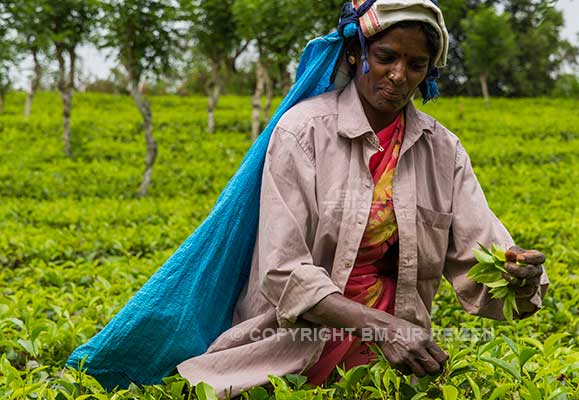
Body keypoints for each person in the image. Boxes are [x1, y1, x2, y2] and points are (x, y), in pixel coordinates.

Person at [177, 0, 548, 397]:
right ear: (356, 53)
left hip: (394, 367)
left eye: (416, 65)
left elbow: (482, 257)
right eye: (385, 57)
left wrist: (516, 277)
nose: (399, 76)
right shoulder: (304, 132)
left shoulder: (443, 151)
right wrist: (382, 327)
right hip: (288, 361)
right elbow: (282, 270)